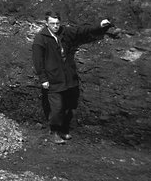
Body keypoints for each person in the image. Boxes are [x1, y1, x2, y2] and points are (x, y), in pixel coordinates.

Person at [31, 13, 113, 144]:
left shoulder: (64, 32)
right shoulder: (41, 39)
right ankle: (54, 132)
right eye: (52, 24)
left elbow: (81, 30)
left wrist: (99, 25)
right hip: (53, 79)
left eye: (58, 23)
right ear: (47, 23)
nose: (56, 26)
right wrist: (43, 79)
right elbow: (38, 61)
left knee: (67, 107)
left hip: (68, 78)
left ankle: (62, 130)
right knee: (57, 107)